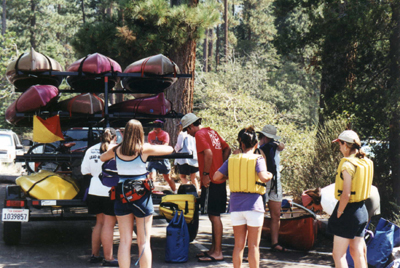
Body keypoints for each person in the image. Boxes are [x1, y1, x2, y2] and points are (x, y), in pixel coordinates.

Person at [100, 119, 173, 268]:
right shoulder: (144, 148)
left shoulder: (117, 149)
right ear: (140, 133)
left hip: (121, 194)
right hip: (141, 195)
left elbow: (102, 158)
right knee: (144, 241)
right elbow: (170, 150)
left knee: (124, 240)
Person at [214, 126, 273, 268]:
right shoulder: (258, 159)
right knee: (253, 246)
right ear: (256, 144)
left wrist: (231, 177)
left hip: (236, 207)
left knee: (238, 246)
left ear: (241, 143)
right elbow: (264, 177)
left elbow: (216, 177)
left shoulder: (232, 159)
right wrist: (270, 174)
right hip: (254, 206)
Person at [180, 113, 231, 262]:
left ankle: (218, 252)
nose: (187, 133)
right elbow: (226, 149)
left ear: (190, 126)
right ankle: (214, 249)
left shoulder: (200, 135)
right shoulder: (212, 132)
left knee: (214, 216)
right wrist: (221, 168)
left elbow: (208, 154)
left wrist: (206, 174)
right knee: (212, 214)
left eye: (187, 130)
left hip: (211, 181)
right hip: (219, 179)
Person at [328, 130, 373, 268]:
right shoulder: (366, 162)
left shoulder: (347, 164)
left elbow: (346, 194)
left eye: (340, 145)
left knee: (338, 255)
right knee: (357, 252)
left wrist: (339, 212)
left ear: (346, 145)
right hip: (361, 210)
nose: (340, 148)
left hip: (348, 212)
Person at [81, 128, 118, 266]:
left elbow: (85, 171)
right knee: (109, 225)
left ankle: (95, 255)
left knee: (99, 224)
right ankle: (108, 258)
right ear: (114, 137)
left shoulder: (91, 150)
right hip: (110, 189)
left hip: (94, 189)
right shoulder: (116, 149)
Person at [257, 124, 287, 252]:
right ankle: (255, 245)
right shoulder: (258, 148)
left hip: (275, 181)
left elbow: (282, 146)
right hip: (262, 181)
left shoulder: (274, 146)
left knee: (276, 214)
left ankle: (275, 243)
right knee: (259, 213)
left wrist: (275, 143)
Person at [146, 119, 176, 193]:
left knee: (168, 178)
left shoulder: (165, 134)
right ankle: (151, 192)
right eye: (154, 124)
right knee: (152, 177)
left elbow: (165, 145)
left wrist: (156, 147)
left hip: (163, 158)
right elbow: (150, 144)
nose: (155, 127)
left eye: (157, 125)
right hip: (153, 158)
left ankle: (175, 191)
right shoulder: (150, 134)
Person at [174, 122, 199, 190]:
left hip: (183, 159)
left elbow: (179, 146)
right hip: (194, 158)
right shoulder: (195, 133)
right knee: (193, 177)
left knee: (183, 177)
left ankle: (189, 191)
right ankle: (196, 192)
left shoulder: (182, 134)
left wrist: (175, 149)